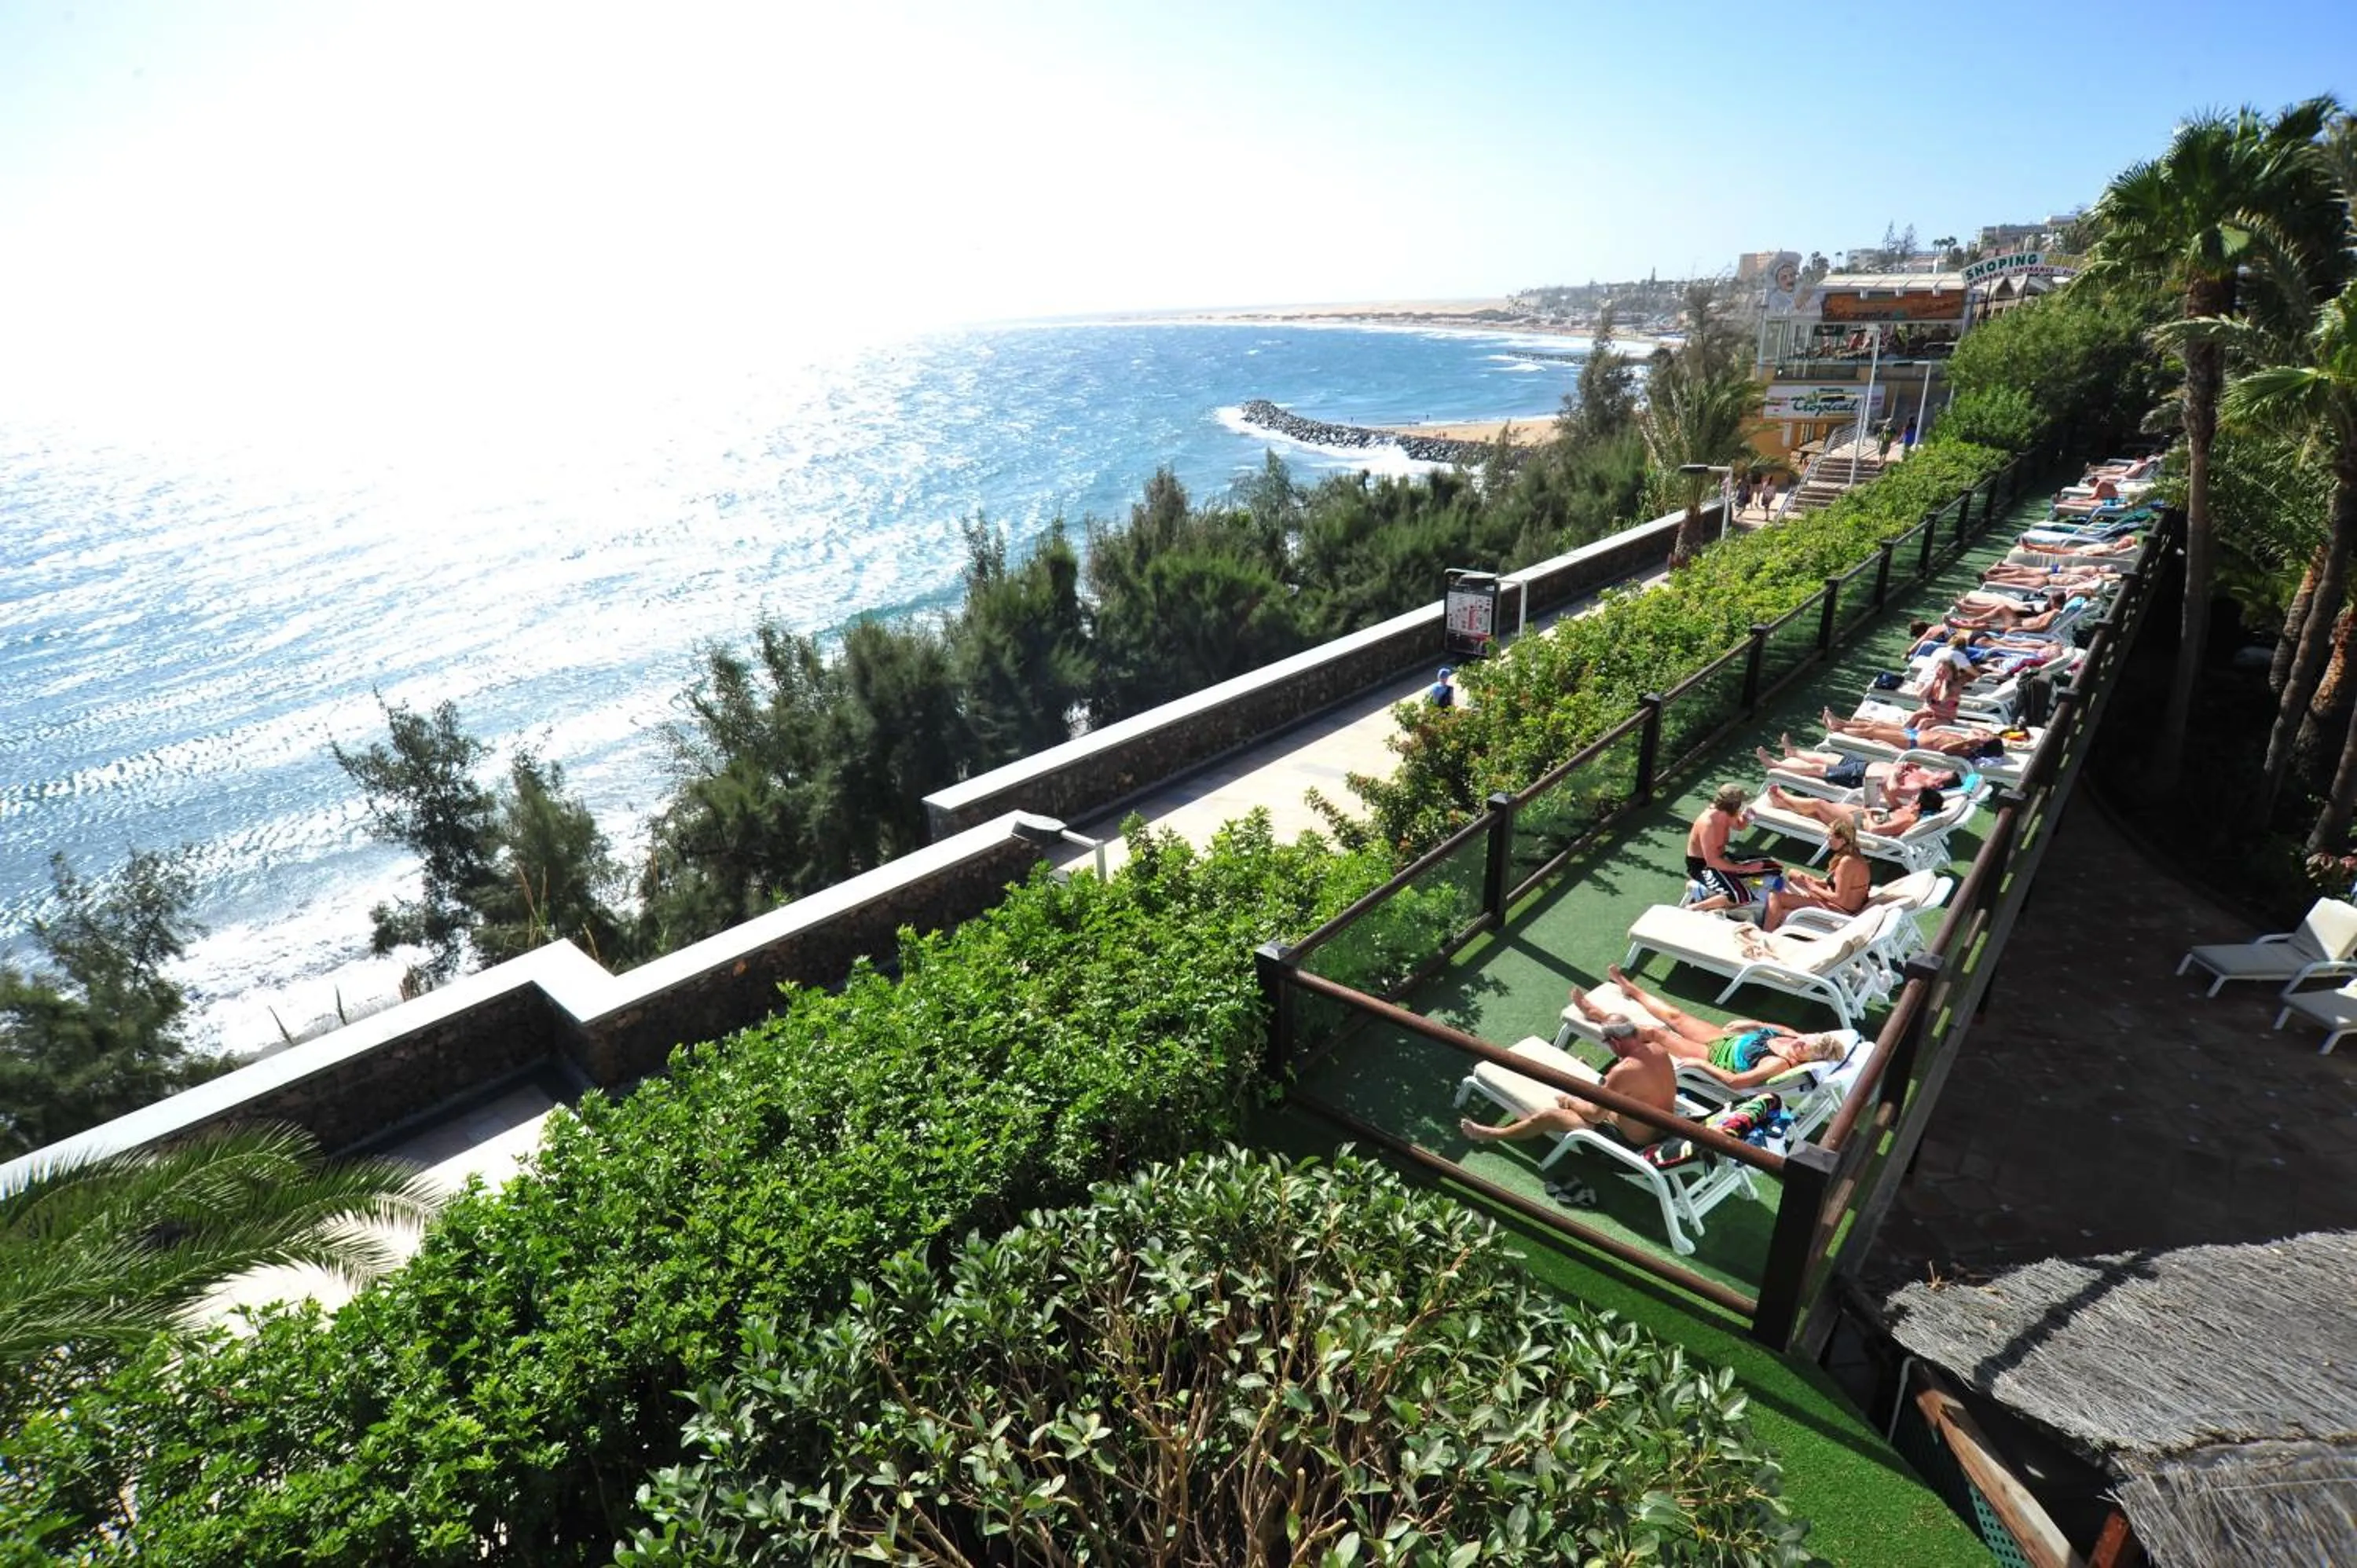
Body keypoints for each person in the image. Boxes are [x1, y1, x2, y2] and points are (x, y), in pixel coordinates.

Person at [1581, 969, 1849, 1089]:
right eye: (1807, 1039)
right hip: (1724, 1038)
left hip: (1712, 1056)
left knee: (1657, 1033)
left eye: (1805, 1048)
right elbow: (1778, 1027)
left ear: (1807, 1061)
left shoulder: (1777, 1064)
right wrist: (1753, 1024)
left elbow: (1735, 1083)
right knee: (1675, 1015)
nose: (1801, 1042)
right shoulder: (1795, 1038)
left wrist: (1700, 1065)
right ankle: (1632, 989)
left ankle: (1603, 1018)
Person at [1458, 1017, 1677, 1148]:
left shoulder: (1623, 1071)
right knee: (1593, 1084)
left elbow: (1594, 1116)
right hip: (1665, 1126)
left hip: (1631, 1139)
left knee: (1548, 1116)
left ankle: (1491, 1135)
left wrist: (1569, 1102)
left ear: (1615, 1042)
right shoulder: (1657, 1050)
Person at [1763, 815, 1870, 929]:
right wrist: (1811, 881)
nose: (1827, 838)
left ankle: (1765, 934)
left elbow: (1840, 899)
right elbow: (1839, 885)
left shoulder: (1847, 862)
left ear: (1842, 840)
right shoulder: (1852, 855)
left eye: (1831, 836)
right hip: (1836, 901)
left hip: (1839, 910)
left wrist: (1812, 887)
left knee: (1775, 897)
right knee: (1793, 873)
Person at [1755, 739, 1957, 799]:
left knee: (1817, 768)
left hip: (1860, 779)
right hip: (1866, 765)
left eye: (1941, 775)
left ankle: (1775, 765)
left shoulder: (1920, 790)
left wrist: (1896, 775)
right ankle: (1793, 752)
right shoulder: (1927, 775)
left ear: (1939, 785)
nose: (1938, 772)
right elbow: (1915, 765)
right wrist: (1907, 766)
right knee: (1827, 757)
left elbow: (1893, 791)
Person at [1686, 783, 1778, 911]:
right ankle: (1695, 907)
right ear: (1735, 806)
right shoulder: (1708, 824)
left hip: (1723, 859)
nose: (1742, 806)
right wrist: (1745, 869)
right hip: (1703, 867)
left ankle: (1739, 882)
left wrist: (1748, 816)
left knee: (1773, 865)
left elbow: (1740, 826)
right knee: (1742, 897)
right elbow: (1712, 862)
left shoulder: (1728, 814)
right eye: (1741, 803)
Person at [1763, 780, 1945, 841]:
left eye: (1915, 798)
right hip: (1859, 815)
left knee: (1819, 804)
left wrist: (1867, 814)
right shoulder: (1908, 811)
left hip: (1858, 825)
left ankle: (1783, 795)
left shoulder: (1907, 820)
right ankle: (1782, 804)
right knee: (1815, 812)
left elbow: (1875, 830)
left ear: (1919, 805)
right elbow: (1893, 804)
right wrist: (1885, 787)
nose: (1912, 799)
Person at [1820, 705, 2008, 758]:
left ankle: (1838, 730)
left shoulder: (1966, 750)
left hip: (1912, 742)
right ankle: (1841, 722)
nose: (1983, 735)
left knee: (1872, 731)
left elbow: (1944, 751)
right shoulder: (1969, 742)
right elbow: (1977, 730)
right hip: (1913, 733)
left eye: (1986, 737)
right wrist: (1984, 736)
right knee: (1876, 724)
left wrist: (1969, 742)